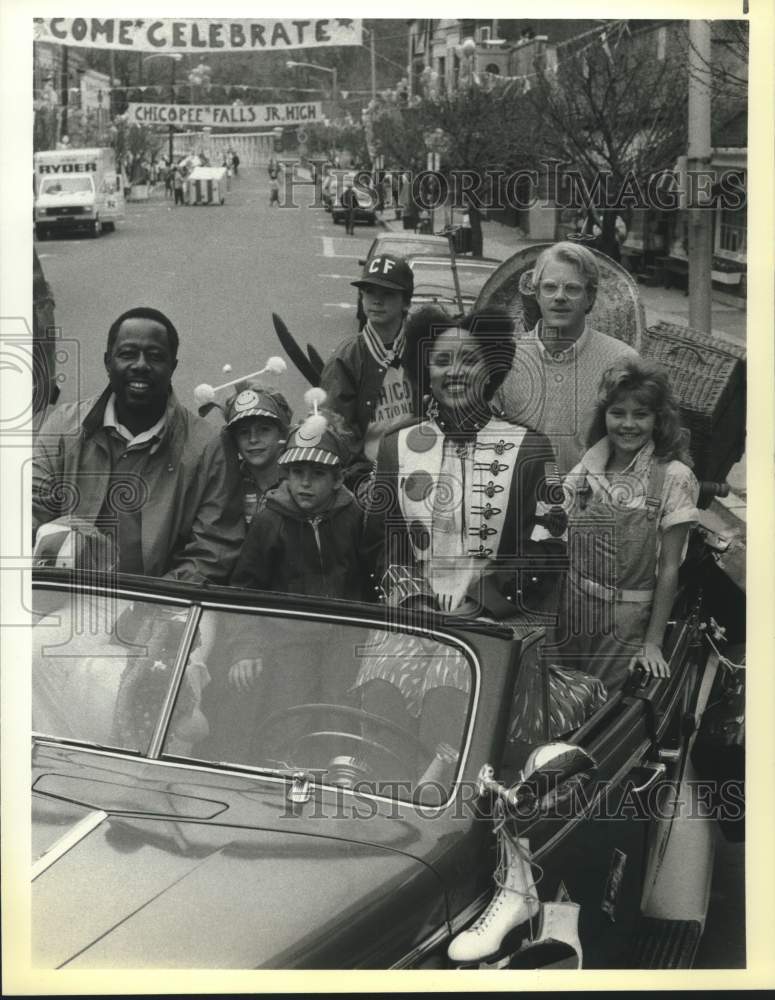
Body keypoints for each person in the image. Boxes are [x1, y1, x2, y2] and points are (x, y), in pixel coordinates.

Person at [362, 305, 565, 619]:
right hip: (414, 619)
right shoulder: (395, 447)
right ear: (426, 372)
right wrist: (414, 600)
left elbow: (549, 544)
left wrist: (482, 602)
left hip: (500, 623)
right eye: (442, 361)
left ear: (489, 372)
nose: (455, 371)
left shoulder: (532, 448)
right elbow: (381, 543)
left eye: (469, 360)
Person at [32, 307, 245, 583]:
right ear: (108, 362)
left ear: (173, 367)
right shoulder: (63, 426)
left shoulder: (209, 446)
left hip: (164, 607)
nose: (141, 365)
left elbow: (213, 550)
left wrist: (150, 609)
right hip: (65, 596)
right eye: (128, 354)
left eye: (155, 356)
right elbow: (27, 514)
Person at [550, 357, 700, 694]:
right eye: (618, 413)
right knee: (556, 697)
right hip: (570, 606)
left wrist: (652, 642)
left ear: (658, 420)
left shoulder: (672, 478)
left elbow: (669, 569)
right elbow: (553, 533)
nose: (628, 424)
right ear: (604, 417)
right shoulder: (587, 468)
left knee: (603, 703)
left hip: (624, 618)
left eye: (641, 414)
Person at [492, 241, 639, 476]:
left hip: (591, 504)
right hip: (518, 503)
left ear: (590, 297)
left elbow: (638, 445)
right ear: (537, 294)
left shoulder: (623, 361)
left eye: (572, 289)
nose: (559, 297)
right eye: (550, 287)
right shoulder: (504, 359)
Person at [231, 395, 364, 600]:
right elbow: (246, 587)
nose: (305, 482)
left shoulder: (354, 515)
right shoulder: (268, 520)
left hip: (346, 626)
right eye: (297, 472)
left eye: (318, 473)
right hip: (284, 628)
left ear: (337, 479)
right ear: (286, 473)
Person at [320, 254, 419, 491]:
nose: (377, 301)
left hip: (420, 469)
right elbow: (338, 433)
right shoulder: (346, 357)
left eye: (388, 294)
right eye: (370, 292)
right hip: (368, 477)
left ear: (406, 302)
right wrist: (361, 481)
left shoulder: (420, 348)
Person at [222, 382, 292, 524]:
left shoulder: (298, 479)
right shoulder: (228, 484)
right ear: (233, 439)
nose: (253, 439)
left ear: (282, 432)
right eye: (244, 432)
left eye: (264, 429)